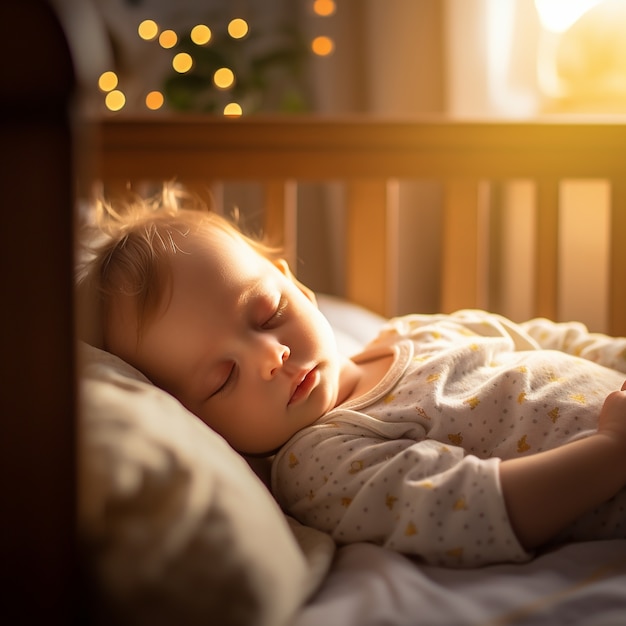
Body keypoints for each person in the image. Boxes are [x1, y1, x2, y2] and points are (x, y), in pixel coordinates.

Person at [79, 190, 626, 568]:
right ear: (197, 420)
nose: (272, 355)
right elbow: (472, 510)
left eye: (268, 313)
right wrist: (609, 452)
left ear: (296, 285)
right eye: (224, 378)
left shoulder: (412, 330)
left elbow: (555, 340)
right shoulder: (320, 461)